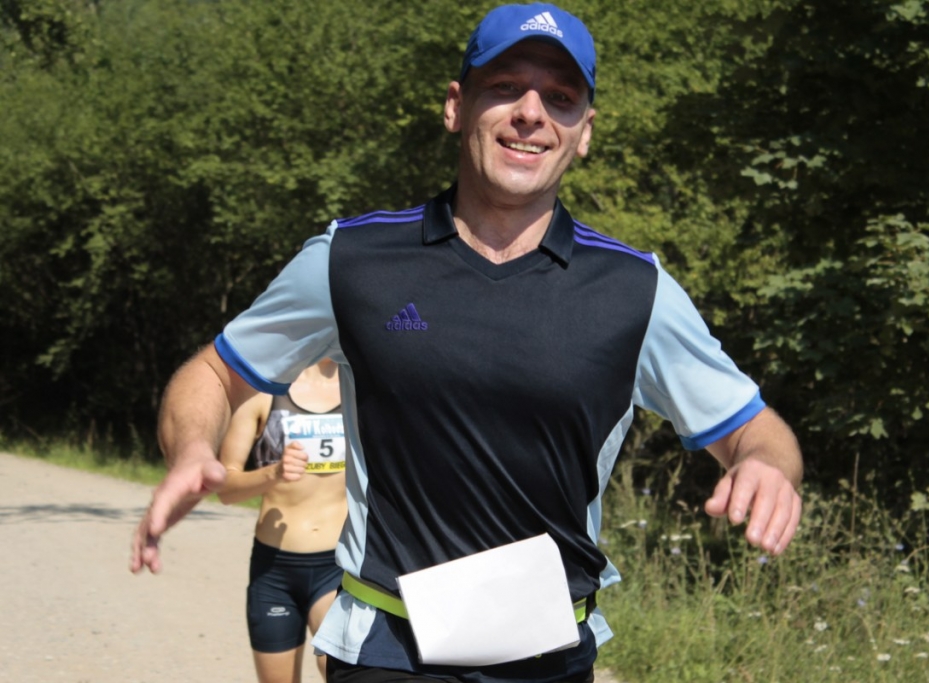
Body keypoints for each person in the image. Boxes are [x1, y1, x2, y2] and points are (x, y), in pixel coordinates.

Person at [131, 3, 803, 682]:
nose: (531, 113)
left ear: (585, 132)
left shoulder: (636, 291)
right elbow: (213, 374)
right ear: (456, 106)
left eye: (560, 98)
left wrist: (769, 466)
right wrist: (191, 449)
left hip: (549, 657)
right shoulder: (352, 261)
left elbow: (755, 430)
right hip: (388, 651)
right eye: (506, 87)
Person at [216, 358, 346, 683]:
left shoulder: (360, 390)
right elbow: (226, 489)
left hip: (338, 566)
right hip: (274, 570)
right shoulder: (261, 391)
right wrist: (273, 472)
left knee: (339, 670)